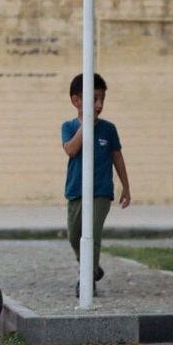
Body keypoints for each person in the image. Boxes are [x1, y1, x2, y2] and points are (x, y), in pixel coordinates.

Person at [62, 72, 131, 295]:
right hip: (76, 190)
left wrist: (125, 187)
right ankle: (92, 267)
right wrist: (87, 125)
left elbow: (117, 157)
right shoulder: (69, 126)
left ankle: (86, 278)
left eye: (102, 99)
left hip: (101, 191)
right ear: (76, 101)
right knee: (75, 235)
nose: (99, 105)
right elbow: (71, 150)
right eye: (94, 99)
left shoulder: (109, 129)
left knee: (93, 234)